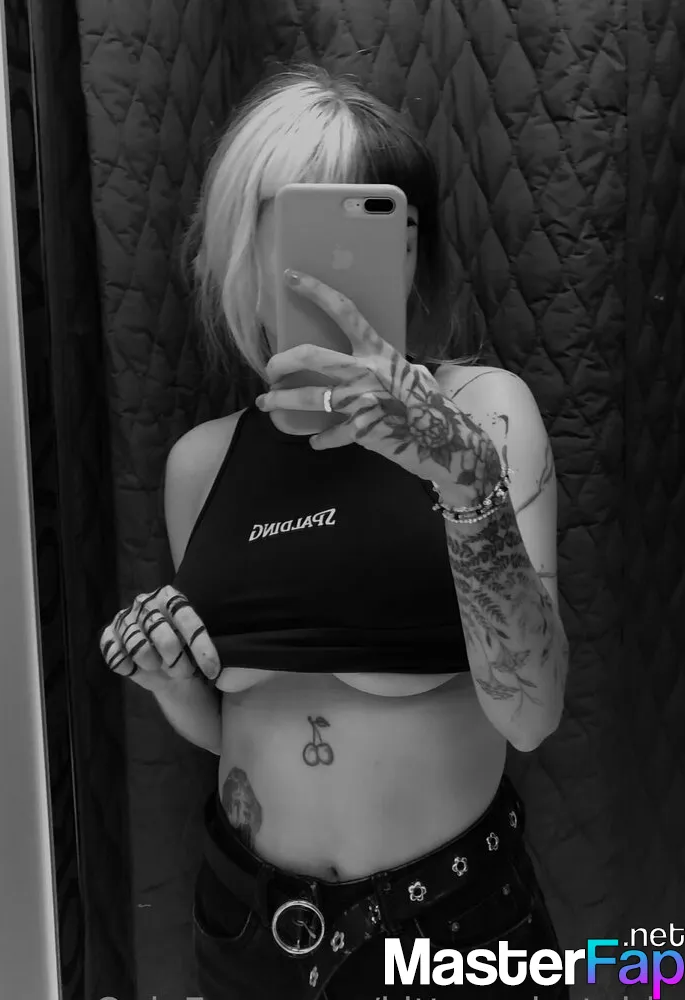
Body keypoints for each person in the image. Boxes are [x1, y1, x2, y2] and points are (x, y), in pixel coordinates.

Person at [99, 64, 570, 1000]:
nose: (312, 269)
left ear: (410, 254)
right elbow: (232, 725)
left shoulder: (484, 411)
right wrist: (169, 677)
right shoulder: (201, 462)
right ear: (240, 250)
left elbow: (532, 715)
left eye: (363, 227)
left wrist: (460, 473)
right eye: (283, 229)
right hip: (246, 927)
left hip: (448, 932)